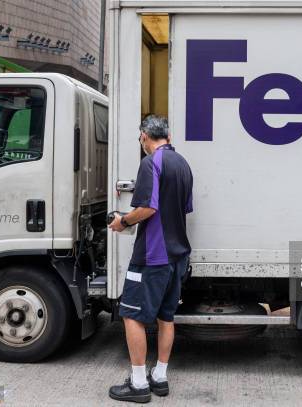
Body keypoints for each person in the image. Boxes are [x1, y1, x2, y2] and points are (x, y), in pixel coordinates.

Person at [108, 115, 193, 403]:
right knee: (166, 317)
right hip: (177, 255)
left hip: (151, 256)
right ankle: (159, 376)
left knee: (131, 315)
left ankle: (138, 384)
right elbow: (183, 209)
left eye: (140, 138)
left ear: (145, 136)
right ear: (167, 136)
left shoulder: (151, 162)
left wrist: (123, 222)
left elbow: (148, 208)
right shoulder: (183, 164)